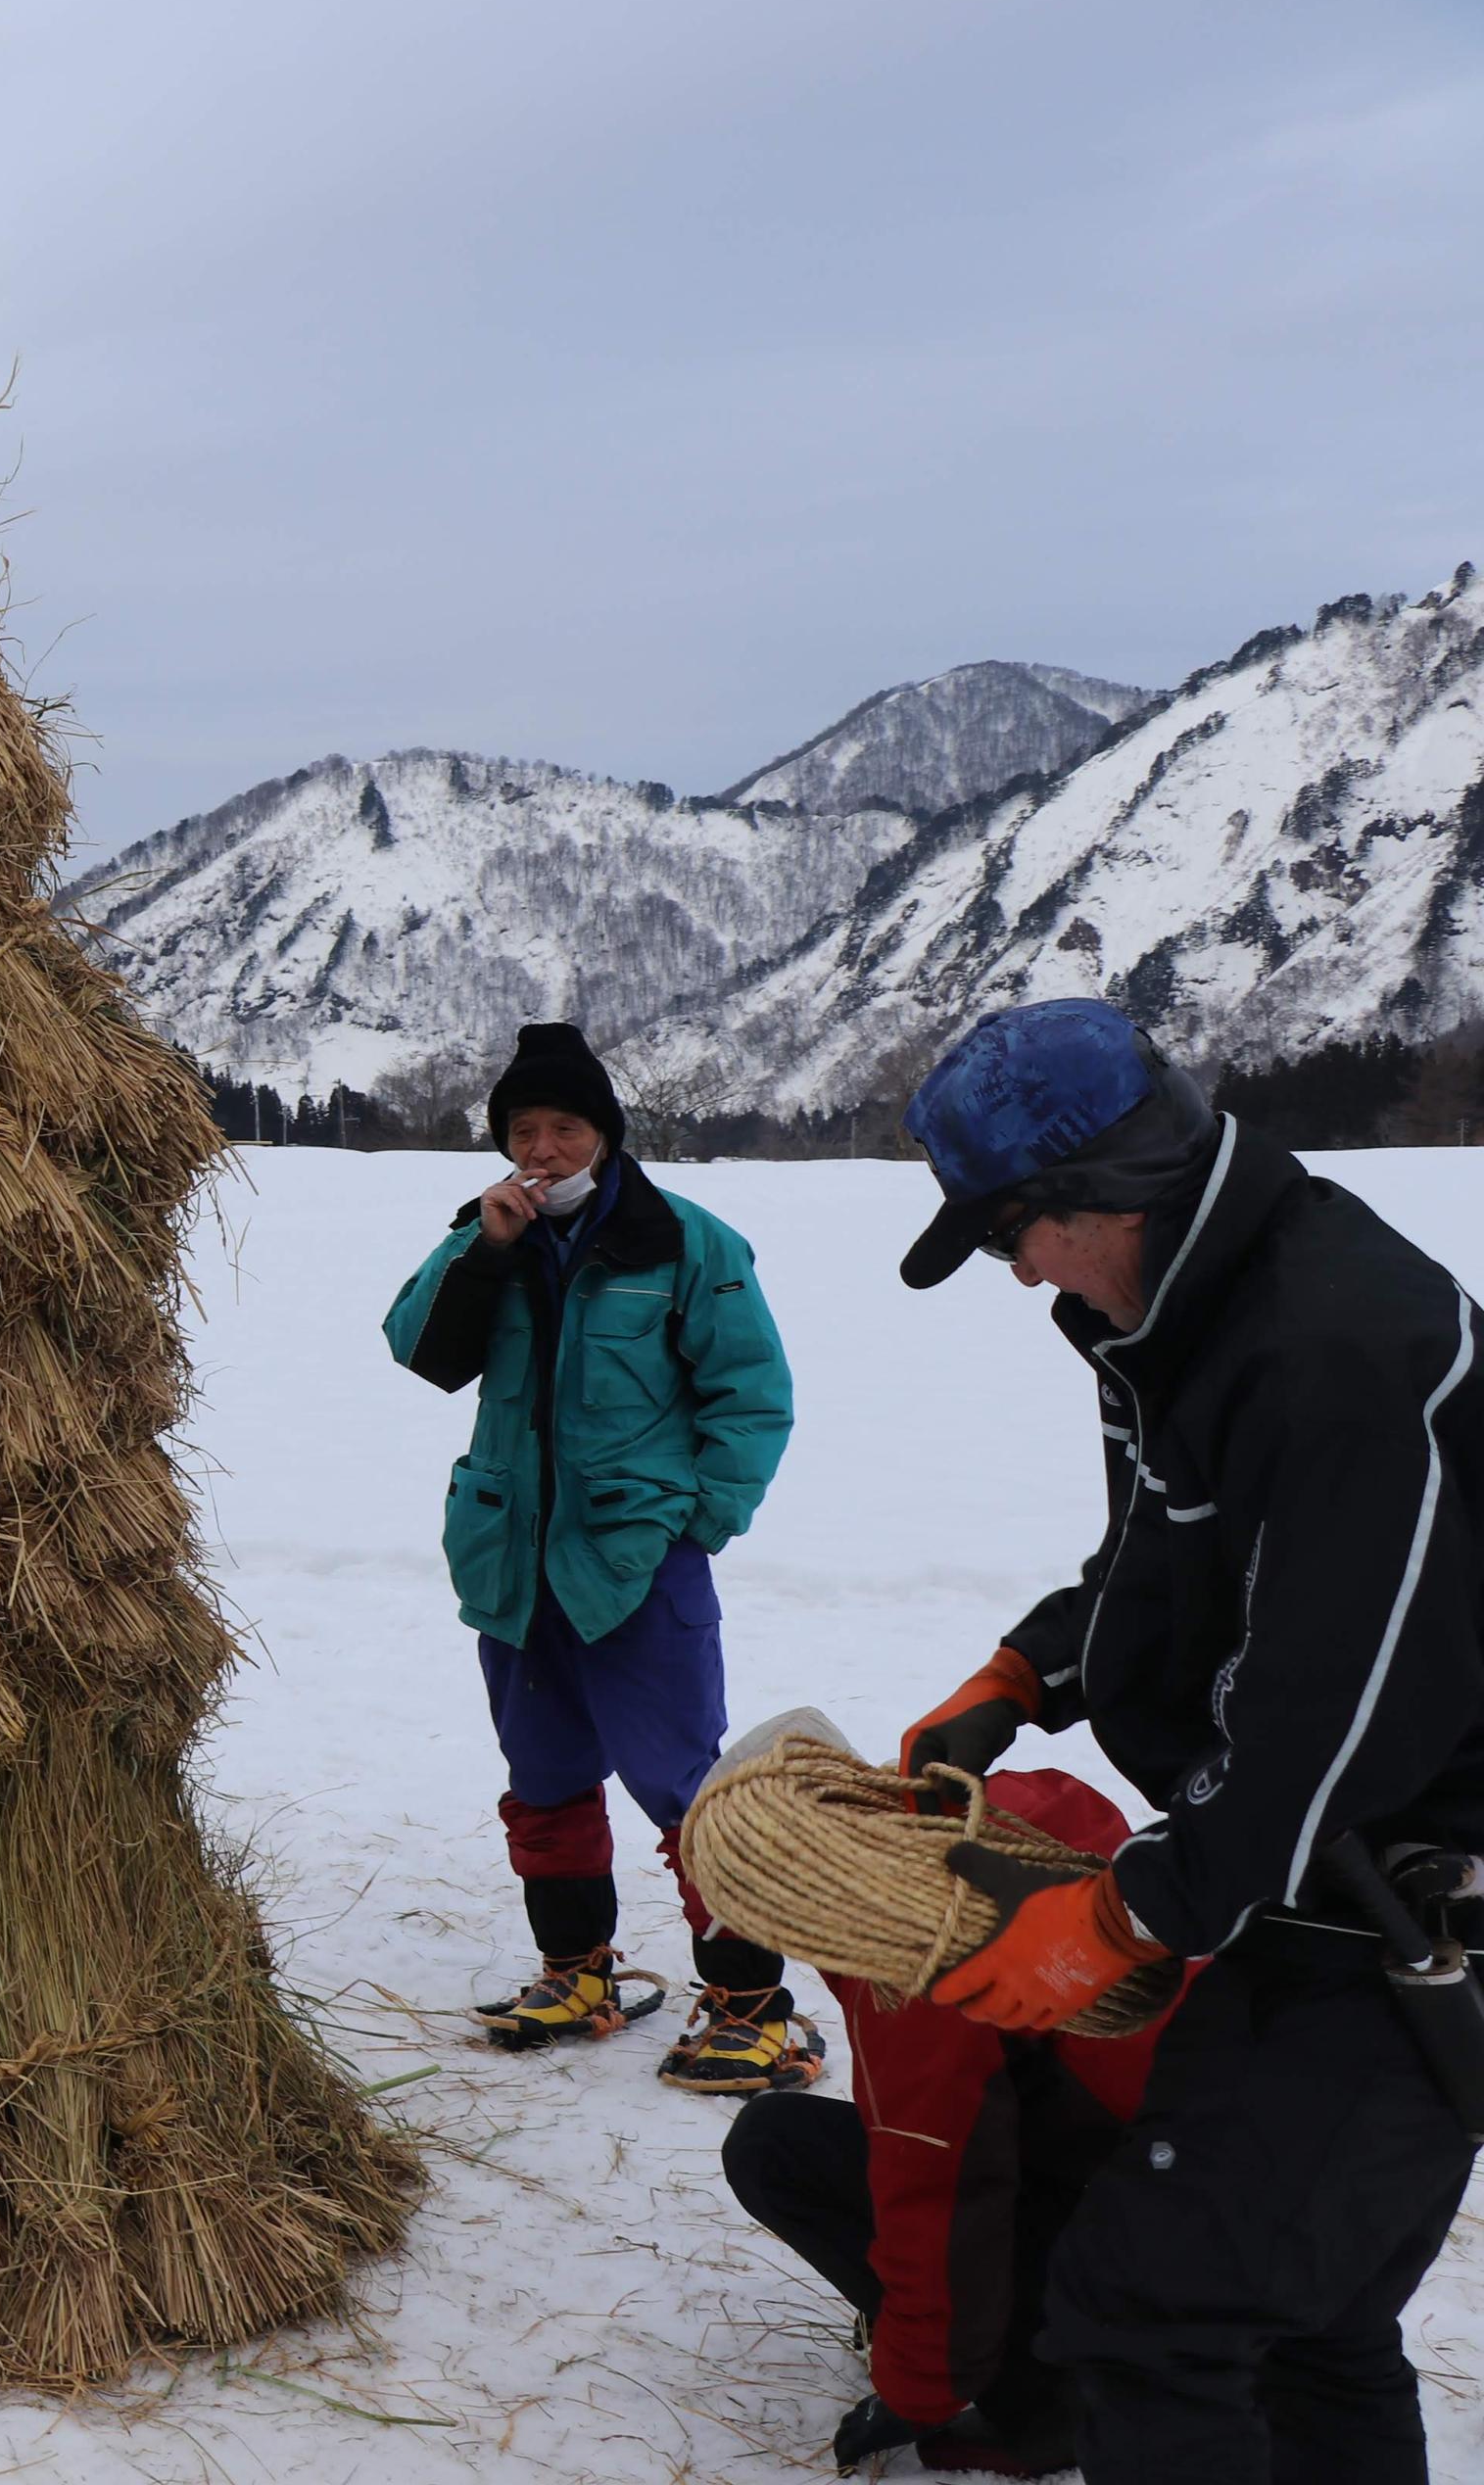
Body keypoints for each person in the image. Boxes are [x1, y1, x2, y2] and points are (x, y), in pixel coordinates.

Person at [892, 996, 1484, 2483]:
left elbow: (1340, 1707)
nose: (1016, 1271)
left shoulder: (1339, 1344)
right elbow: (1185, 1563)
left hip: (1413, 1922)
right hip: (1323, 1891)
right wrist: (1034, 1666)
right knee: (1308, 2325)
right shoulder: (1178, 1320)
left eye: (1009, 1233)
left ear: (1095, 1199)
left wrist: (1130, 1908)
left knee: (1151, 2317)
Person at [383, 1022, 814, 2091]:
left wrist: (701, 1518)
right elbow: (418, 1347)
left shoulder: (686, 1241)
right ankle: (577, 1974)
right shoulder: (489, 1232)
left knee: (685, 1788)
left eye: (563, 1126)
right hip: (512, 1567)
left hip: (636, 1562)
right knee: (544, 1779)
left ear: (605, 1135)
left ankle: (753, 2006)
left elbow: (752, 1395)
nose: (542, 1147)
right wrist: (480, 1249)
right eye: (523, 1129)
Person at [722, 1766, 1174, 2478]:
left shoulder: (909, 1953)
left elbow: (939, 2191)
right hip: (1242, 2164)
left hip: (1173, 2222)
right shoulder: (996, 1808)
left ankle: (1042, 2405)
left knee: (773, 2147)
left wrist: (918, 2388)